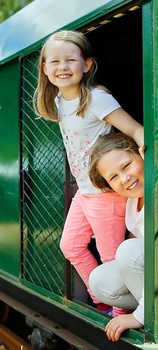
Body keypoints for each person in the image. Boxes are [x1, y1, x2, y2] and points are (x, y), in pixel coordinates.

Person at [33, 30, 144, 314]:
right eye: (55, 62)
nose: (63, 67)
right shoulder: (58, 102)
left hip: (106, 194)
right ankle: (105, 303)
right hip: (85, 192)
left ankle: (121, 315)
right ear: (45, 69)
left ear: (87, 65)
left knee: (112, 258)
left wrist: (144, 147)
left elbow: (134, 129)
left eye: (71, 59)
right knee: (70, 246)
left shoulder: (96, 99)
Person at [88, 132, 144, 342]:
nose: (125, 179)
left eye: (126, 165)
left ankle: (150, 315)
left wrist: (138, 317)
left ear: (140, 153)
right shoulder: (131, 202)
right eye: (113, 177)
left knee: (129, 250)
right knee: (99, 281)